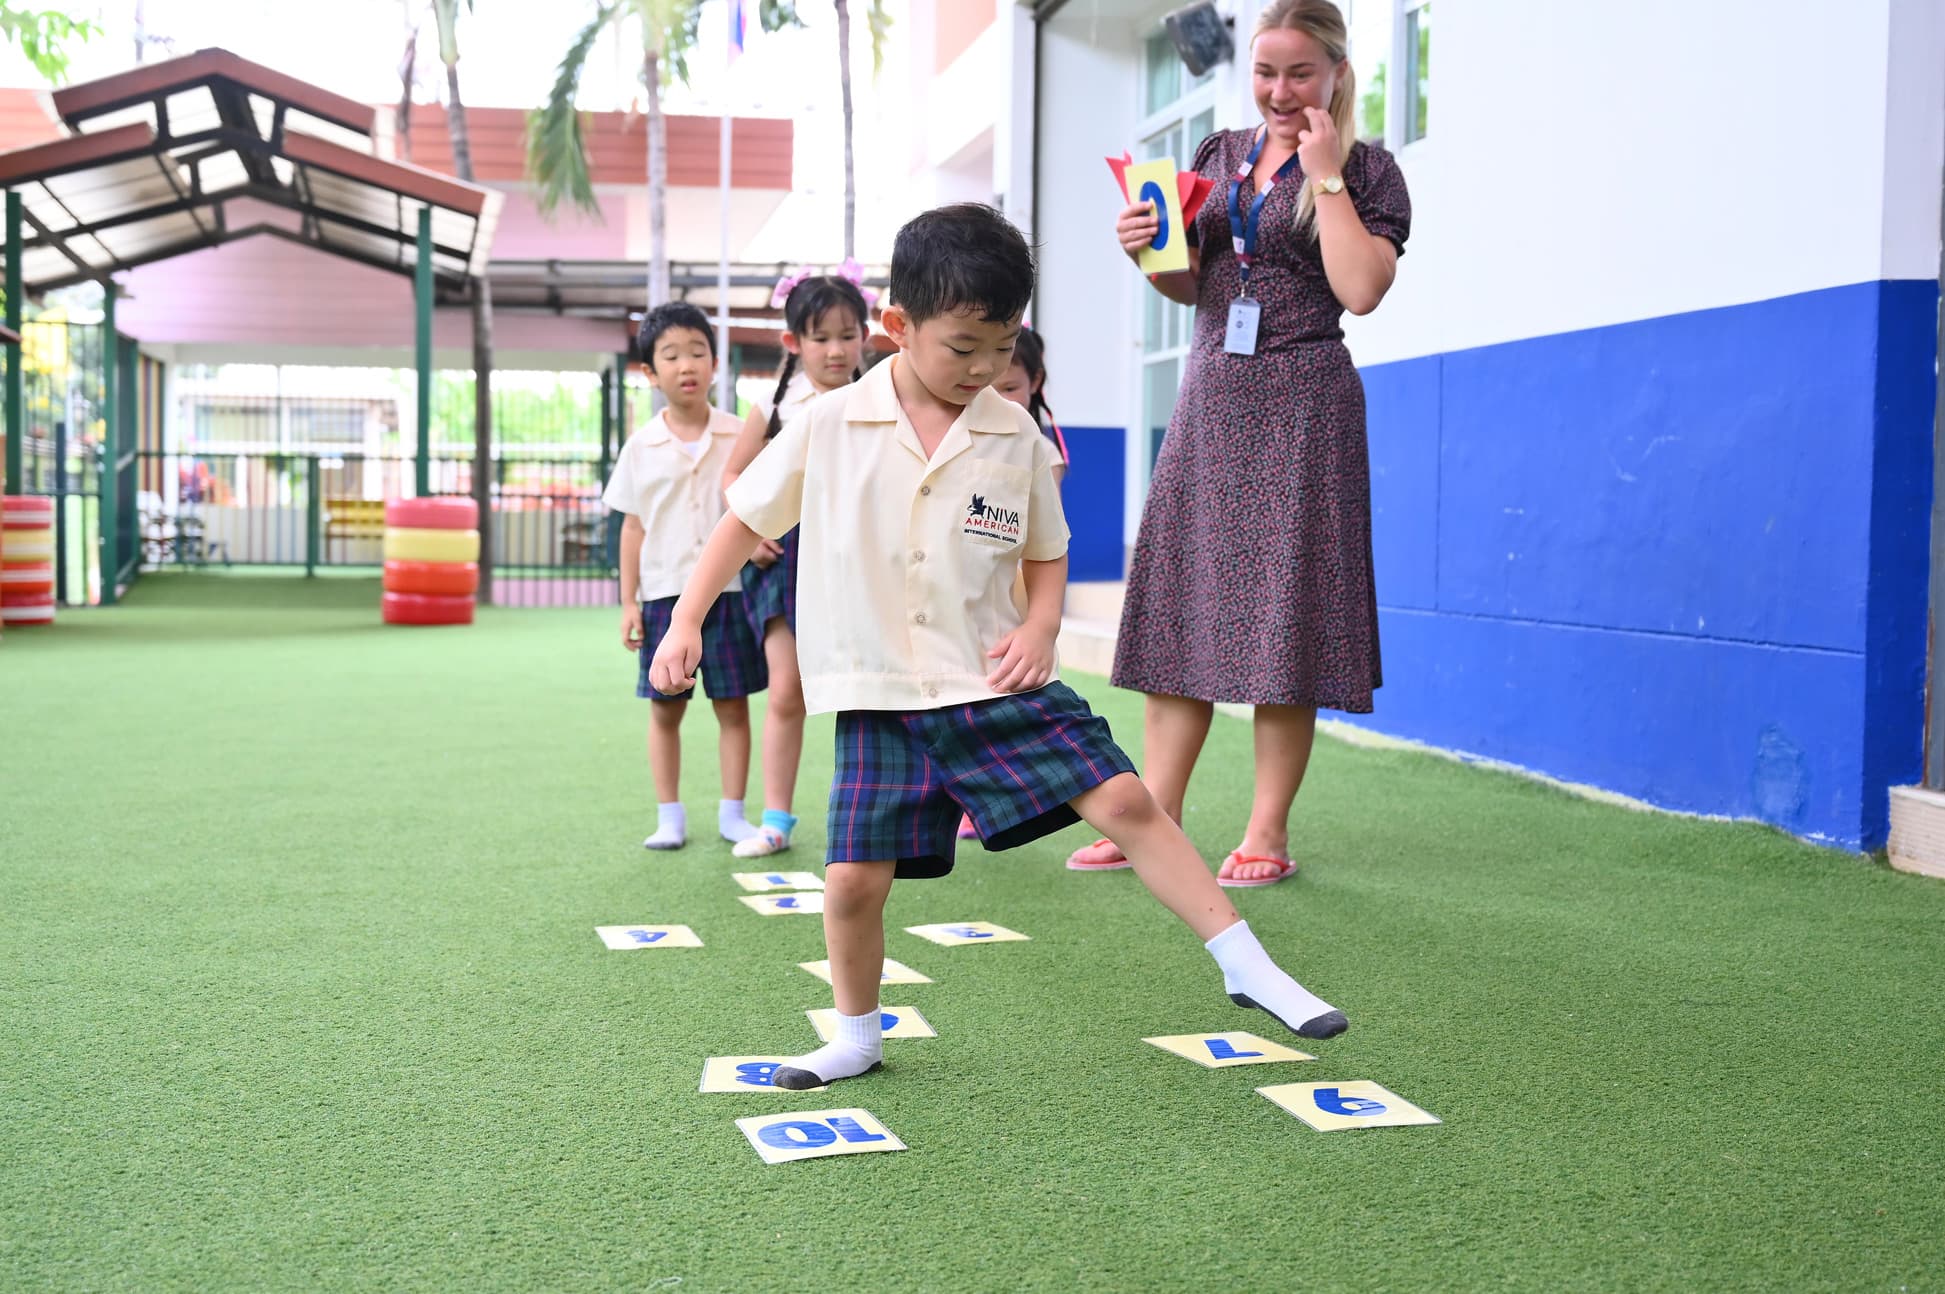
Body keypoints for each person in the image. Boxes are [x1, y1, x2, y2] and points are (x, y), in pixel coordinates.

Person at [651, 203, 1347, 1091]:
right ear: (897, 326)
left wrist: (1042, 624)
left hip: (990, 676)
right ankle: (856, 1037)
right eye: (963, 347)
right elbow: (742, 520)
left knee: (1127, 799)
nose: (984, 368)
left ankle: (1245, 963)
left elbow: (1046, 551)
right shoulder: (827, 423)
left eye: (1002, 345)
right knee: (852, 884)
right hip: (880, 692)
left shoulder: (1012, 430)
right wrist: (684, 621)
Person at [1066, 0, 1411, 885]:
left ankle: (1266, 832)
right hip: (1212, 395)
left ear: (1336, 73)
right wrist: (1144, 250)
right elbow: (1191, 286)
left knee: (1286, 620)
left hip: (1306, 404)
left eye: (1300, 72)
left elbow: (1361, 289)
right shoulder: (1217, 153)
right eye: (1264, 71)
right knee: (1181, 606)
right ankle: (1155, 817)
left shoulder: (1368, 169)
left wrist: (1324, 177)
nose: (1280, 91)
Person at [720, 266, 873, 859]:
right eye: (820, 337)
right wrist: (755, 533)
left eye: (847, 335)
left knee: (872, 693)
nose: (835, 350)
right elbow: (734, 474)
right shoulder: (775, 403)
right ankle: (775, 821)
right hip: (785, 559)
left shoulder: (882, 396)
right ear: (793, 342)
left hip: (861, 561)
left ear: (866, 336)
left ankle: (884, 813)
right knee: (788, 688)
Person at [606, 302, 768, 852]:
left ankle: (733, 814)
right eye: (671, 356)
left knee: (733, 707)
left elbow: (765, 507)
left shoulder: (742, 434)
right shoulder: (640, 446)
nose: (686, 365)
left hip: (731, 593)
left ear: (715, 364)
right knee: (665, 709)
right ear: (650, 373)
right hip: (661, 596)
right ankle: (669, 817)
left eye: (697, 352)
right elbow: (632, 527)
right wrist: (629, 603)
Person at [992, 325, 1068, 482]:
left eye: (1009, 389)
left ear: (1035, 382)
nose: (996, 400)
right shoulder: (959, 440)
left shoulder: (1043, 453)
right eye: (984, 390)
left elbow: (1049, 500)